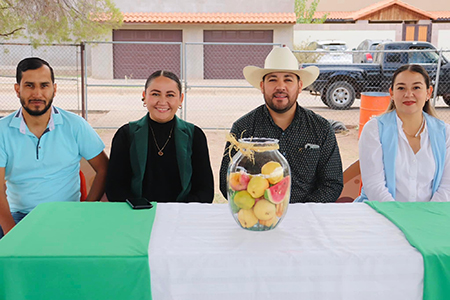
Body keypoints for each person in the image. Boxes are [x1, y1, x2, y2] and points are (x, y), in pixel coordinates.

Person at [0, 57, 108, 238]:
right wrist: (11, 232)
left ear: (54, 89)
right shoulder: (2, 130)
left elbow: (104, 168)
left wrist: (87, 209)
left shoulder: (75, 125)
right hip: (19, 217)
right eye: (29, 85)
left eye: (44, 85)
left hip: (67, 216)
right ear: (17, 89)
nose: (37, 93)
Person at [219, 47, 343, 203]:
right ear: (262, 86)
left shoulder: (321, 128)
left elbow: (332, 183)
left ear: (299, 86)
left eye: (288, 79)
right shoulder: (243, 129)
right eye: (272, 79)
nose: (280, 87)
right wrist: (261, 206)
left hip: (307, 216)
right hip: (259, 216)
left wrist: (303, 209)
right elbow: (227, 181)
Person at [105, 70, 214, 203]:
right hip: (138, 214)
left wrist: (178, 210)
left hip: (182, 214)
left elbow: (205, 191)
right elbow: (114, 188)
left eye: (170, 95)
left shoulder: (195, 135)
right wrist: (142, 209)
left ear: (181, 99)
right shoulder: (126, 135)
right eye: (155, 94)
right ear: (144, 96)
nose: (162, 101)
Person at [357, 64, 450, 202]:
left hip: (430, 216)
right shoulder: (374, 129)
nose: (408, 94)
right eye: (401, 88)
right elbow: (374, 186)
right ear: (392, 93)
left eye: (416, 87)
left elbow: (447, 187)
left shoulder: (445, 133)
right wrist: (400, 217)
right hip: (383, 213)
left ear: (428, 93)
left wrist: (427, 216)